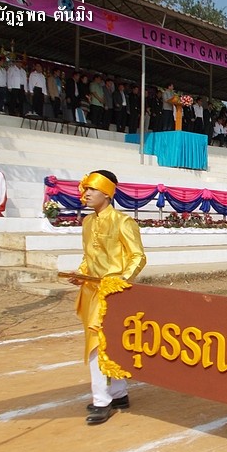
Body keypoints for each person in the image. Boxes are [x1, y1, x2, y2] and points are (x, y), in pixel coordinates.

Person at [69, 170, 146, 425]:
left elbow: (138, 256)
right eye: (85, 189)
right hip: (91, 291)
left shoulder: (123, 222)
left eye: (92, 189)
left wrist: (122, 280)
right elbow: (88, 257)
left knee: (99, 344)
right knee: (106, 342)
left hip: (112, 292)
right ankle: (119, 393)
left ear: (107, 193)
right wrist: (80, 274)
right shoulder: (87, 223)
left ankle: (102, 400)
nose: (86, 193)